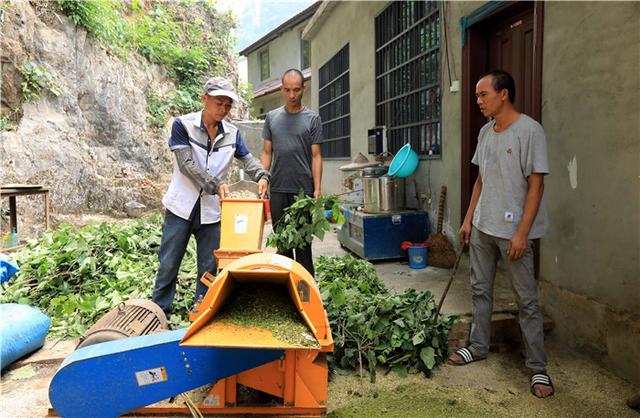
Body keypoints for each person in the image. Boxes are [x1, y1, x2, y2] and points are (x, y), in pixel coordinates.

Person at [448, 70, 554, 398]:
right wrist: (467, 219)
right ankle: (478, 346)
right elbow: (481, 180)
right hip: (482, 226)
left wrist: (523, 233)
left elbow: (537, 185)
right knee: (480, 291)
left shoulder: (530, 131)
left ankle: (538, 368)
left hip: (512, 233)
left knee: (527, 301)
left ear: (503, 94)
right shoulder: (485, 132)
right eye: (477, 96)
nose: (478, 101)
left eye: (483, 95)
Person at [152, 77, 270, 317]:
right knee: (169, 263)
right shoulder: (183, 125)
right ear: (204, 99)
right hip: (180, 207)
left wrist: (262, 175)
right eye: (219, 103)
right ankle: (159, 311)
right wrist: (215, 185)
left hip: (212, 211)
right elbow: (186, 164)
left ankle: (202, 309)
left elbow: (247, 160)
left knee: (208, 265)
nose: (223, 109)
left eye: (228, 105)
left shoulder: (233, 134)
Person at [260, 69, 322, 276]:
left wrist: (318, 189)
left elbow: (316, 156)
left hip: (303, 191)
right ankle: (287, 292)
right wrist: (263, 178)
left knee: (303, 244)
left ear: (304, 88)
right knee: (283, 243)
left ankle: (306, 292)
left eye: (296, 90)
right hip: (278, 188)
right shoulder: (272, 117)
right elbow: (267, 152)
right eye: (287, 90)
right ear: (281, 89)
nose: (292, 95)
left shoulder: (313, 119)